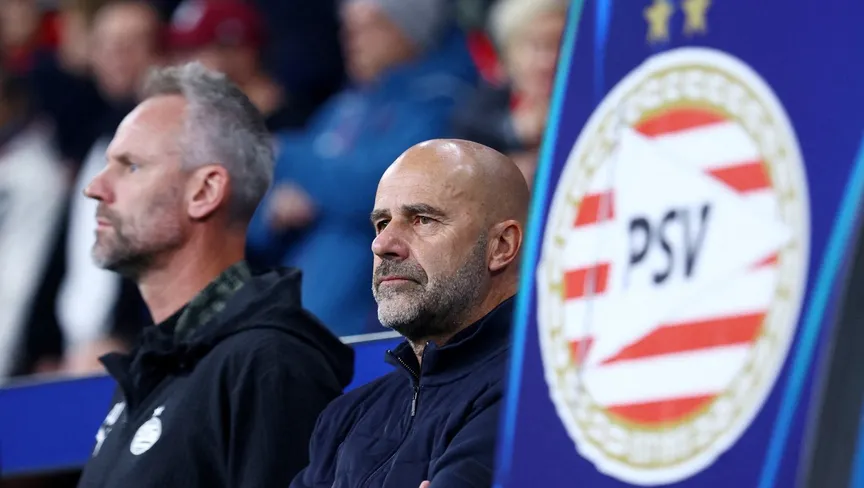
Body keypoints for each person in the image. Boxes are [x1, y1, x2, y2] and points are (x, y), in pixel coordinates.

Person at [76, 62, 354, 488]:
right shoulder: (154, 368)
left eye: (130, 166)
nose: (95, 187)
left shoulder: (269, 365)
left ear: (205, 192)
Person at [290, 139, 529, 488]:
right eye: (381, 223)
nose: (382, 244)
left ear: (501, 246)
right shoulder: (345, 416)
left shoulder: (528, 395)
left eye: (422, 220)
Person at [246, 0, 478, 337]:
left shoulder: (442, 101)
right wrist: (273, 213)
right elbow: (254, 215)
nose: (351, 38)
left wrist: (288, 156)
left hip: (369, 325)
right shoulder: (344, 106)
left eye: (369, 26)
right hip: (297, 313)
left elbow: (389, 189)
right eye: (347, 27)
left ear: (409, 30)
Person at [451, 0, 568, 187]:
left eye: (560, 44)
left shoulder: (593, 106)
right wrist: (513, 132)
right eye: (536, 46)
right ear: (508, 55)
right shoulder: (482, 109)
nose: (547, 61)